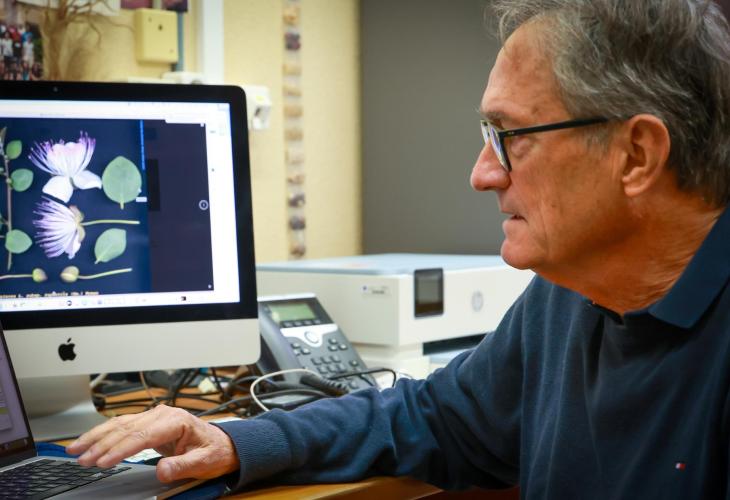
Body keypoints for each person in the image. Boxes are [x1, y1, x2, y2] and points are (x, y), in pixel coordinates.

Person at [67, 0, 730, 497]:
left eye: (511, 137)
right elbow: (439, 418)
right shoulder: (569, 297)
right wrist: (237, 439)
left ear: (636, 155)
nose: (483, 174)